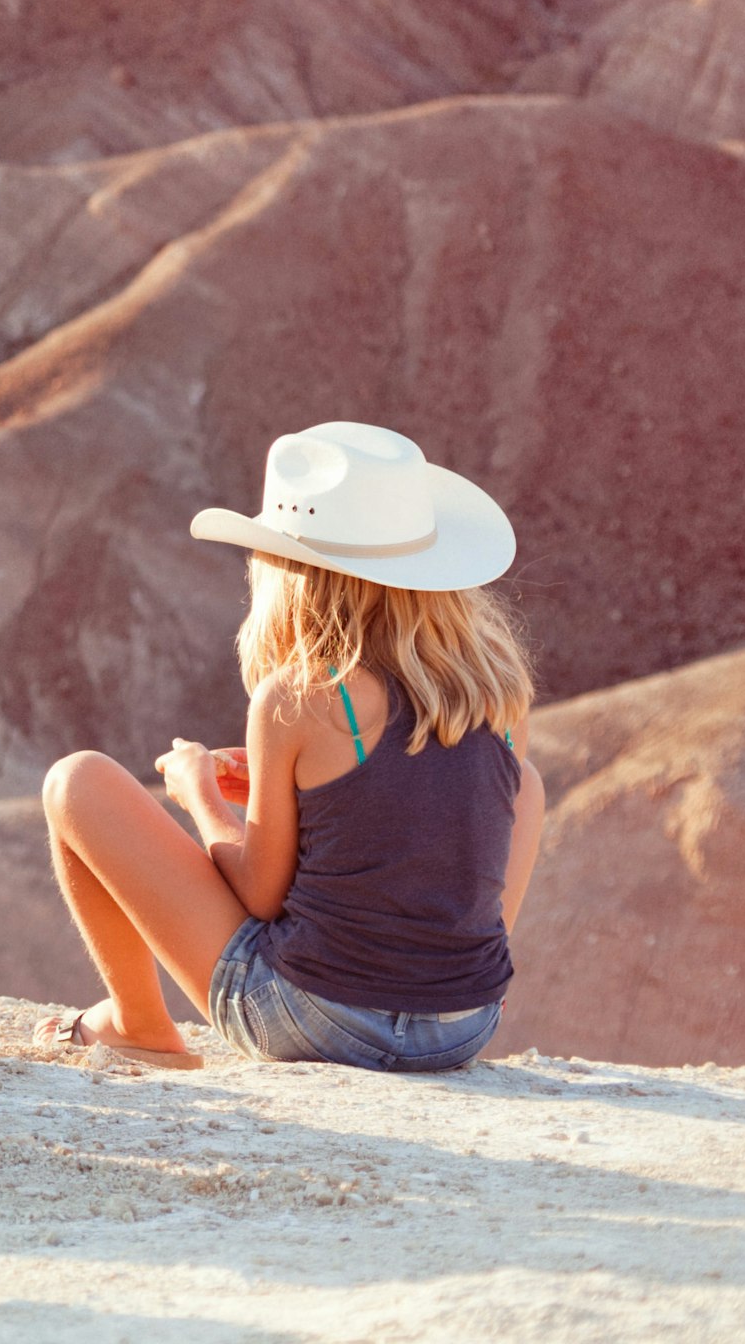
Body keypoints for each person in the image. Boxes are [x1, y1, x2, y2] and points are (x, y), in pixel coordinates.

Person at [39, 420, 542, 1072]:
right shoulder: (499, 698)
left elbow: (260, 896)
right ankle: (453, 989)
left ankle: (136, 1022)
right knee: (522, 779)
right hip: (462, 1029)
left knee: (76, 782)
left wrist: (198, 796)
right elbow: (420, 845)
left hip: (315, 1018)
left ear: (289, 574)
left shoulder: (298, 698)